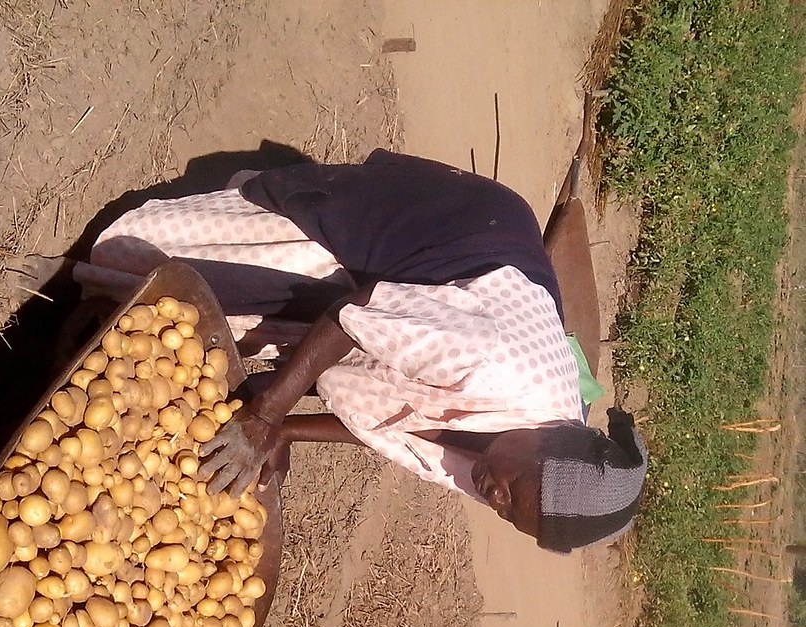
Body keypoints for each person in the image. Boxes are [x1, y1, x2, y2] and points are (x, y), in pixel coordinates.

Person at [65, 147, 648, 553]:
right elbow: (357, 313)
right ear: (545, 438)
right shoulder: (491, 364)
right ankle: (276, 194)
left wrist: (288, 430)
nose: (491, 494)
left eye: (505, 514)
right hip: (436, 230)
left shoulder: (521, 467)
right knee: (144, 259)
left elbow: (406, 429)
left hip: (448, 304)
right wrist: (267, 413)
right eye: (508, 493)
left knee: (233, 339)